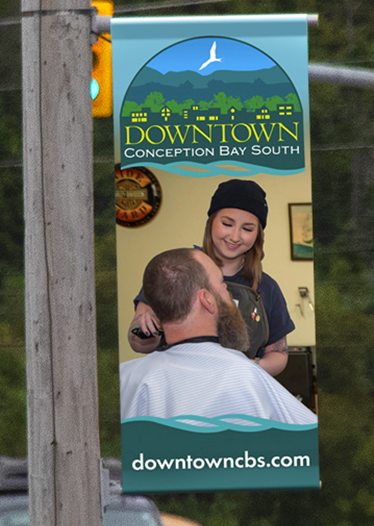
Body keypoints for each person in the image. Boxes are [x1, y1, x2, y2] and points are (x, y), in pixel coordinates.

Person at [120, 248, 317, 425]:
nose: (227, 290)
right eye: (222, 283)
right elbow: (310, 440)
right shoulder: (245, 376)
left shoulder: (127, 377)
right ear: (206, 300)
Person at [127, 179, 294, 376]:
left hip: (239, 391)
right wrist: (147, 330)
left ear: (258, 235)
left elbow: (279, 354)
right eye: (227, 224)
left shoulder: (267, 288)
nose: (234, 236)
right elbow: (137, 343)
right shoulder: (175, 269)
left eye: (247, 229)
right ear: (211, 222)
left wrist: (247, 368)